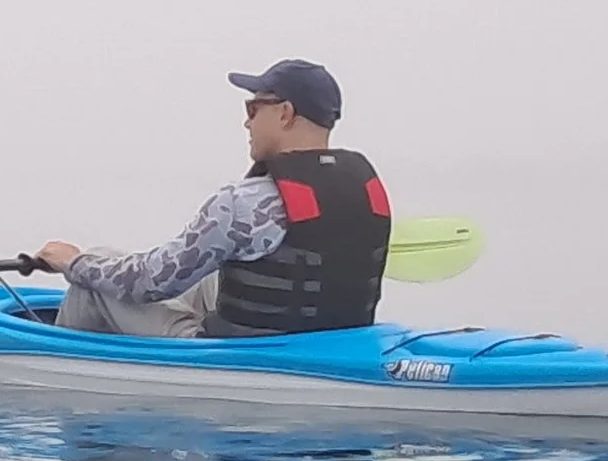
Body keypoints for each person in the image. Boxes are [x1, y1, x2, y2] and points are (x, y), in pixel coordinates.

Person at [35, 59, 392, 338]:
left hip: (238, 350)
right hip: (331, 338)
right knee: (210, 274)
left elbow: (150, 282)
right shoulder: (368, 190)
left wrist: (75, 263)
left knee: (94, 272)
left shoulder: (243, 202)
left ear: (284, 113)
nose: (246, 123)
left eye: (253, 109)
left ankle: (67, 375)